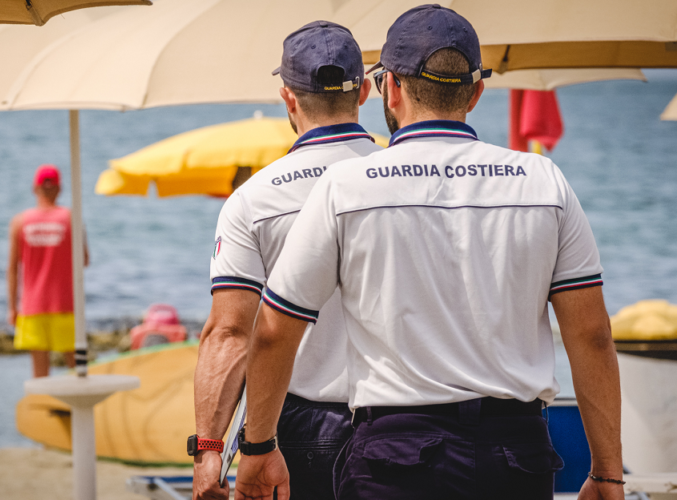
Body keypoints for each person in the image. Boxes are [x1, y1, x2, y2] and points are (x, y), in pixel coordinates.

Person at [235, 5, 624, 500]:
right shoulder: (543, 182)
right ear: (477, 92)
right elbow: (591, 335)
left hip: (396, 455)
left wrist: (259, 446)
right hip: (517, 455)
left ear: (388, 87)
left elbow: (273, 332)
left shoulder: (346, 187)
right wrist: (607, 471)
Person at [191, 21, 379, 500]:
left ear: (288, 99)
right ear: (364, 93)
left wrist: (210, 448)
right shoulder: (407, 182)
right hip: (408, 422)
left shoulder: (254, 199)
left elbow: (230, 332)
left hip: (298, 424)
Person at [7, 164, 89, 378]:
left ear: (35, 188)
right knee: (76, 371)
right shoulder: (71, 218)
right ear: (59, 189)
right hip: (64, 304)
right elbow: (84, 260)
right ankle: (76, 410)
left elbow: (13, 268)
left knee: (40, 374)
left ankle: (43, 410)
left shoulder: (20, 222)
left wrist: (12, 306)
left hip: (33, 305)